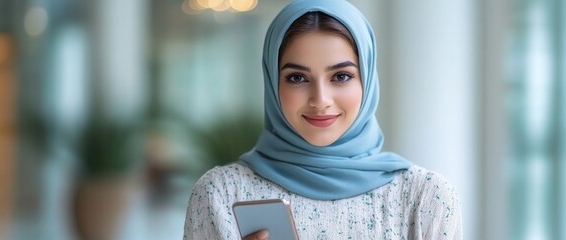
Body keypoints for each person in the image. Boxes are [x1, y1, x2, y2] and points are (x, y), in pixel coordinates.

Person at [183, 0, 462, 239]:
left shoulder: (424, 198)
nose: (320, 99)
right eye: (297, 78)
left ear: (367, 80)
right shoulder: (220, 194)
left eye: (341, 76)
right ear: (272, 82)